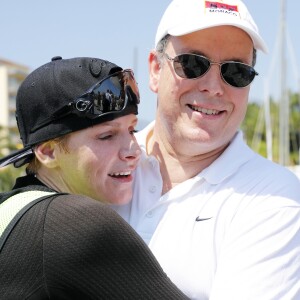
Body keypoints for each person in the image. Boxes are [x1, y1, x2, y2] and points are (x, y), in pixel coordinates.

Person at [111, 1, 300, 299]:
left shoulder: (274, 198)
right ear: (155, 70)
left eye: (236, 72)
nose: (213, 87)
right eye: (192, 63)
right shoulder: (99, 162)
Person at [0, 56, 189, 299]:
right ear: (48, 152)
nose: (134, 151)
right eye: (106, 136)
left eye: (132, 129)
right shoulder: (78, 224)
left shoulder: (12, 209)